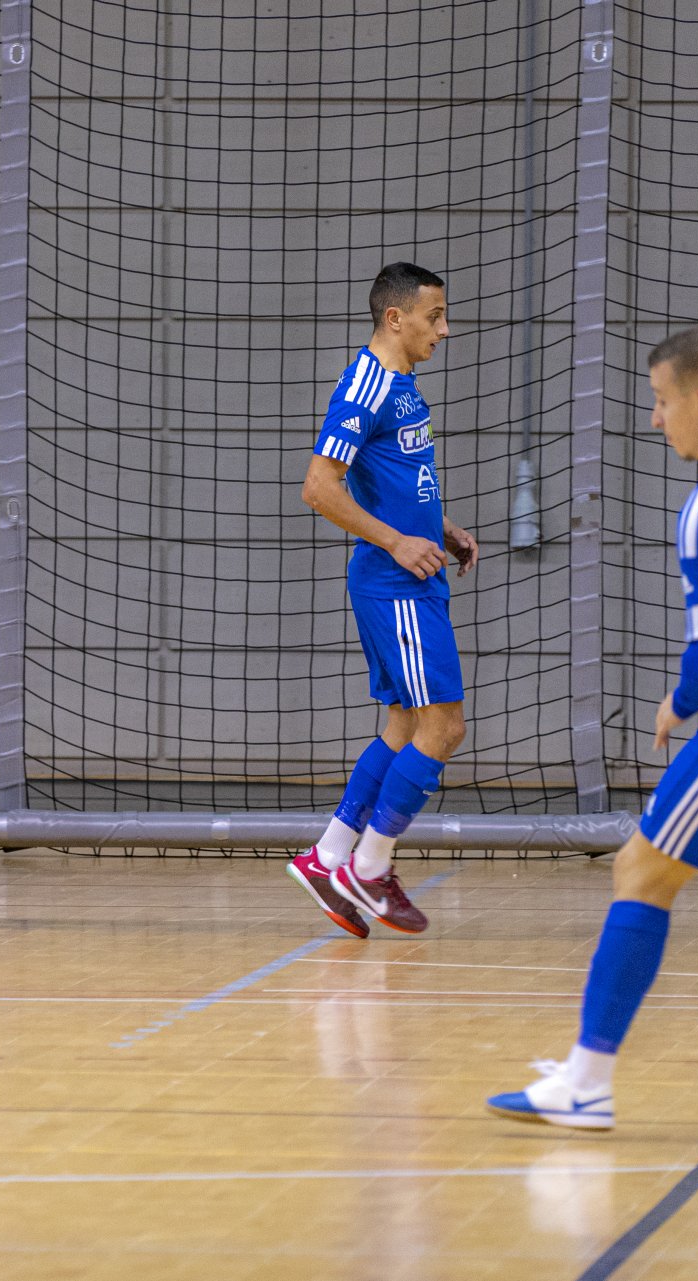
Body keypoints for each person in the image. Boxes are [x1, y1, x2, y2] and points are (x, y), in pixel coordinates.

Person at [489, 326, 698, 1130]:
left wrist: (678, 703)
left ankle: (585, 1082)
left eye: (658, 401)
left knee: (640, 872)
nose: (654, 420)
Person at [285, 263, 481, 936]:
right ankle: (369, 869)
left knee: (402, 726)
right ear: (396, 318)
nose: (444, 329)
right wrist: (399, 542)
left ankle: (331, 854)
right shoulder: (366, 384)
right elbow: (318, 487)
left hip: (410, 576)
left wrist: (440, 529)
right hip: (395, 584)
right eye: (434, 316)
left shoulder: (402, 383)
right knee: (444, 727)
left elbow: (398, 479)